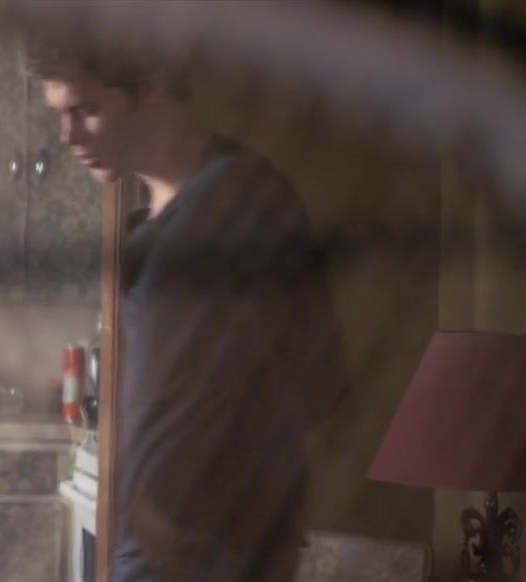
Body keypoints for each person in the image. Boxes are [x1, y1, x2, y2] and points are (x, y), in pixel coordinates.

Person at [27, 32, 347, 582]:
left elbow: (319, 379)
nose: (68, 134)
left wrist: (188, 497)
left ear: (152, 85)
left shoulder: (238, 207)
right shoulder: (150, 226)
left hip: (208, 555)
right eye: (60, 114)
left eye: (87, 109)